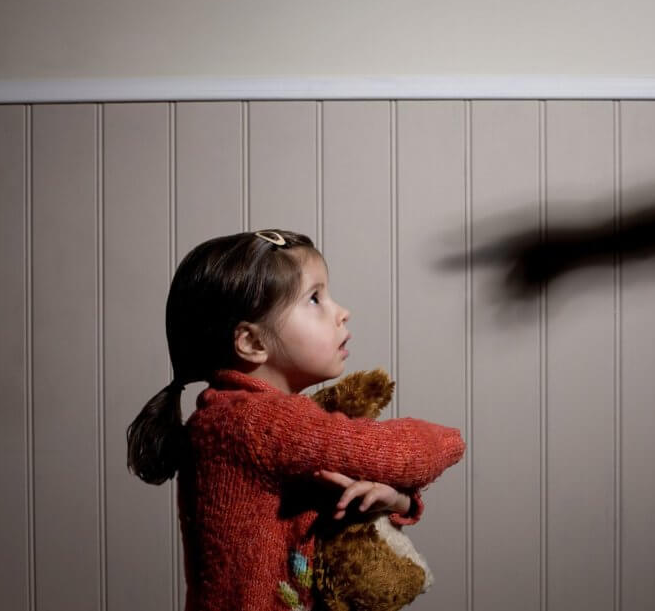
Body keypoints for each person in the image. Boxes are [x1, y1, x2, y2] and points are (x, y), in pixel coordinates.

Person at [126, 229, 466, 611]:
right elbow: (391, 453)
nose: (342, 312)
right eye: (315, 298)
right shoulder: (257, 422)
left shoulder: (234, 416)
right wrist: (451, 440)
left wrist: (397, 500)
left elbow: (333, 504)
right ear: (252, 342)